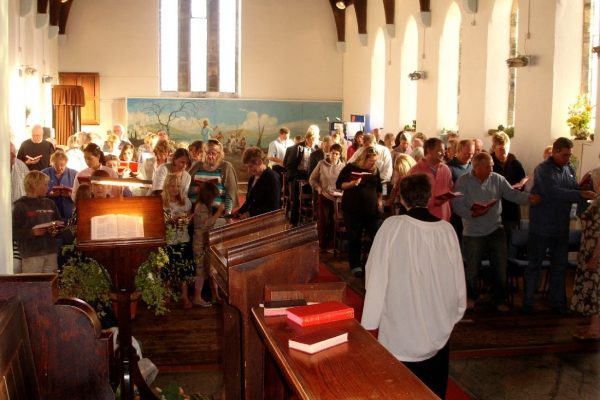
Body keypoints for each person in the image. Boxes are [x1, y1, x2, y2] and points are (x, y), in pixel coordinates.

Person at [361, 173, 466, 399]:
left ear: (402, 199)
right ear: (429, 197)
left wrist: (371, 318)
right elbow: (457, 277)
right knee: (433, 392)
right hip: (437, 326)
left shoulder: (392, 227)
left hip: (401, 327)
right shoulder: (446, 230)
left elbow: (375, 273)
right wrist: (455, 312)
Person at [452, 152, 540, 311]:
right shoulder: (463, 181)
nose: (491, 168)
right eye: (488, 166)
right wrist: (472, 213)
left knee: (500, 266)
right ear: (476, 167)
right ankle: (471, 297)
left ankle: (499, 299)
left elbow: (512, 194)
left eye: (492, 165)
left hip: (495, 228)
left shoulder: (497, 179)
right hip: (473, 232)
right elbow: (456, 205)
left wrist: (529, 199)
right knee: (472, 269)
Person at [525, 137, 598, 314]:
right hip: (541, 226)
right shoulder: (543, 170)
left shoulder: (569, 169)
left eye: (569, 155)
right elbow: (553, 192)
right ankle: (528, 302)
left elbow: (574, 189)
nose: (567, 159)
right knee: (535, 264)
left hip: (560, 226)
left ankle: (557, 302)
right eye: (565, 155)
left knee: (560, 265)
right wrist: (580, 194)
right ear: (555, 152)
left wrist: (585, 209)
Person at [335, 146, 382, 277]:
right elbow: (339, 185)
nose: (373, 163)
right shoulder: (350, 168)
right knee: (354, 238)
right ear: (363, 158)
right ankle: (355, 266)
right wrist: (352, 184)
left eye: (375, 161)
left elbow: (379, 188)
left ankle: (373, 263)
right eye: (371, 161)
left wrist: (379, 201)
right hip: (352, 210)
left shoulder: (374, 170)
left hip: (371, 211)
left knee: (376, 237)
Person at [12, 171, 61, 273]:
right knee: (33, 286)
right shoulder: (20, 205)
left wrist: (56, 229)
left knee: (51, 284)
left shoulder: (50, 203)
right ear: (35, 184)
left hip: (51, 251)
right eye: (45, 184)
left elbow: (58, 221)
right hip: (31, 254)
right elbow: (12, 232)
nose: (48, 187)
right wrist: (31, 232)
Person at [162, 174, 195, 309]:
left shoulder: (185, 201)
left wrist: (186, 219)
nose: (175, 188)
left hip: (183, 239)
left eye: (177, 186)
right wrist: (169, 220)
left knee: (183, 270)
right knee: (167, 270)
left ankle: (185, 296)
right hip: (169, 240)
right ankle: (167, 295)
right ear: (166, 187)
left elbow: (190, 215)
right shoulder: (162, 202)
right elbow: (160, 220)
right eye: (172, 186)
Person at [570, 196, 600, 340]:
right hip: (590, 248)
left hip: (595, 251)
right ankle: (594, 327)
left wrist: (595, 256)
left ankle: (595, 330)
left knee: (595, 290)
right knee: (593, 289)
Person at [192, 182, 225, 307]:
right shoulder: (201, 207)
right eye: (213, 197)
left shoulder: (203, 205)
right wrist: (219, 212)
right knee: (200, 271)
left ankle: (215, 295)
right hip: (200, 243)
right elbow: (207, 224)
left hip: (205, 242)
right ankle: (197, 297)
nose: (214, 200)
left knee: (211, 269)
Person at [309, 143, 345, 250]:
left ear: (340, 155)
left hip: (338, 198)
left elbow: (345, 182)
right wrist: (318, 188)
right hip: (324, 195)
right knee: (323, 221)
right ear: (329, 153)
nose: (334, 155)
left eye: (336, 154)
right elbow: (312, 179)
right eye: (332, 153)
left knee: (334, 221)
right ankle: (322, 244)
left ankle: (332, 244)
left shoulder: (343, 166)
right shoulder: (321, 164)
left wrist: (342, 192)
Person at [408, 138, 454, 221]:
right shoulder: (415, 171)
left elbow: (450, 188)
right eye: (440, 151)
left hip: (444, 218)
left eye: (444, 150)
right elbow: (410, 199)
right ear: (429, 150)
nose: (444, 154)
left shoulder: (445, 169)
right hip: (423, 219)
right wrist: (433, 202)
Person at [188, 139, 239, 214]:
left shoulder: (225, 167)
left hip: (216, 211)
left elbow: (230, 192)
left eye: (213, 153)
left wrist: (228, 213)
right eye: (207, 153)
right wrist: (195, 190)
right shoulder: (197, 165)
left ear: (219, 154)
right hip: (194, 209)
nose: (210, 156)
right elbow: (185, 190)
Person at [284, 125, 319, 225]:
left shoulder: (316, 149)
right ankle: (294, 221)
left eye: (315, 140)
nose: (313, 143)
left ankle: (314, 218)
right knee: (296, 197)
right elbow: (289, 165)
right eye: (312, 140)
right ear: (307, 138)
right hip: (298, 175)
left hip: (310, 176)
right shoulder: (297, 147)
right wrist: (297, 176)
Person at [236, 147, 281, 218]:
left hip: (266, 221)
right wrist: (239, 211)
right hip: (254, 220)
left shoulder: (272, 177)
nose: (248, 170)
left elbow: (273, 207)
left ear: (259, 162)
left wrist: (250, 214)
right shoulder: (252, 178)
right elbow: (249, 202)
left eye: (250, 166)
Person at [42, 151, 77, 220]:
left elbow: (80, 193)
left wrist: (71, 194)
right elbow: (37, 192)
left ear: (66, 163)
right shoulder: (44, 173)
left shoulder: (74, 174)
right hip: (49, 211)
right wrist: (49, 194)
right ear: (51, 164)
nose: (59, 168)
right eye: (56, 165)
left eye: (62, 165)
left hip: (69, 211)